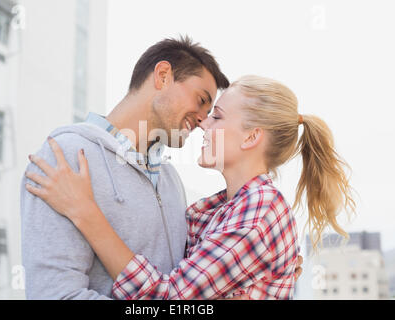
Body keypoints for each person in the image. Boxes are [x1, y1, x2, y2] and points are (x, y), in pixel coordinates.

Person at [24, 75, 347, 299]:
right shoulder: (215, 208)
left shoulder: (259, 214)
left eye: (217, 116)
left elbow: (167, 297)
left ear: (251, 137)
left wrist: (84, 212)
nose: (204, 124)